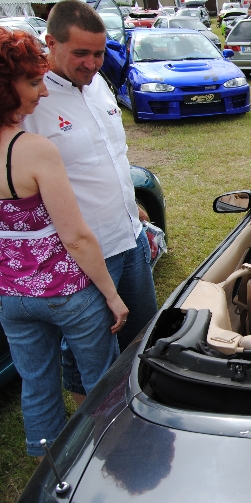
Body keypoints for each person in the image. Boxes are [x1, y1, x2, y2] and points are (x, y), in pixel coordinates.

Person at [0, 29, 128, 458]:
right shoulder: (32, 149)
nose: (43, 92)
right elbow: (75, 236)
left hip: (12, 297)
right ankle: (105, 457)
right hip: (66, 292)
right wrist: (111, 295)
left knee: (36, 384)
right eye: (33, 82)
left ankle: (50, 470)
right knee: (102, 381)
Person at [22, 0, 158, 405]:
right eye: (81, 53)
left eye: (99, 53)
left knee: (143, 336)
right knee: (90, 361)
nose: (92, 63)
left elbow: (112, 154)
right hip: (83, 256)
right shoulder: (33, 101)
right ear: (51, 43)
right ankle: (93, 433)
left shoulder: (97, 84)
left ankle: (139, 408)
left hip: (130, 238)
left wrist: (130, 203)